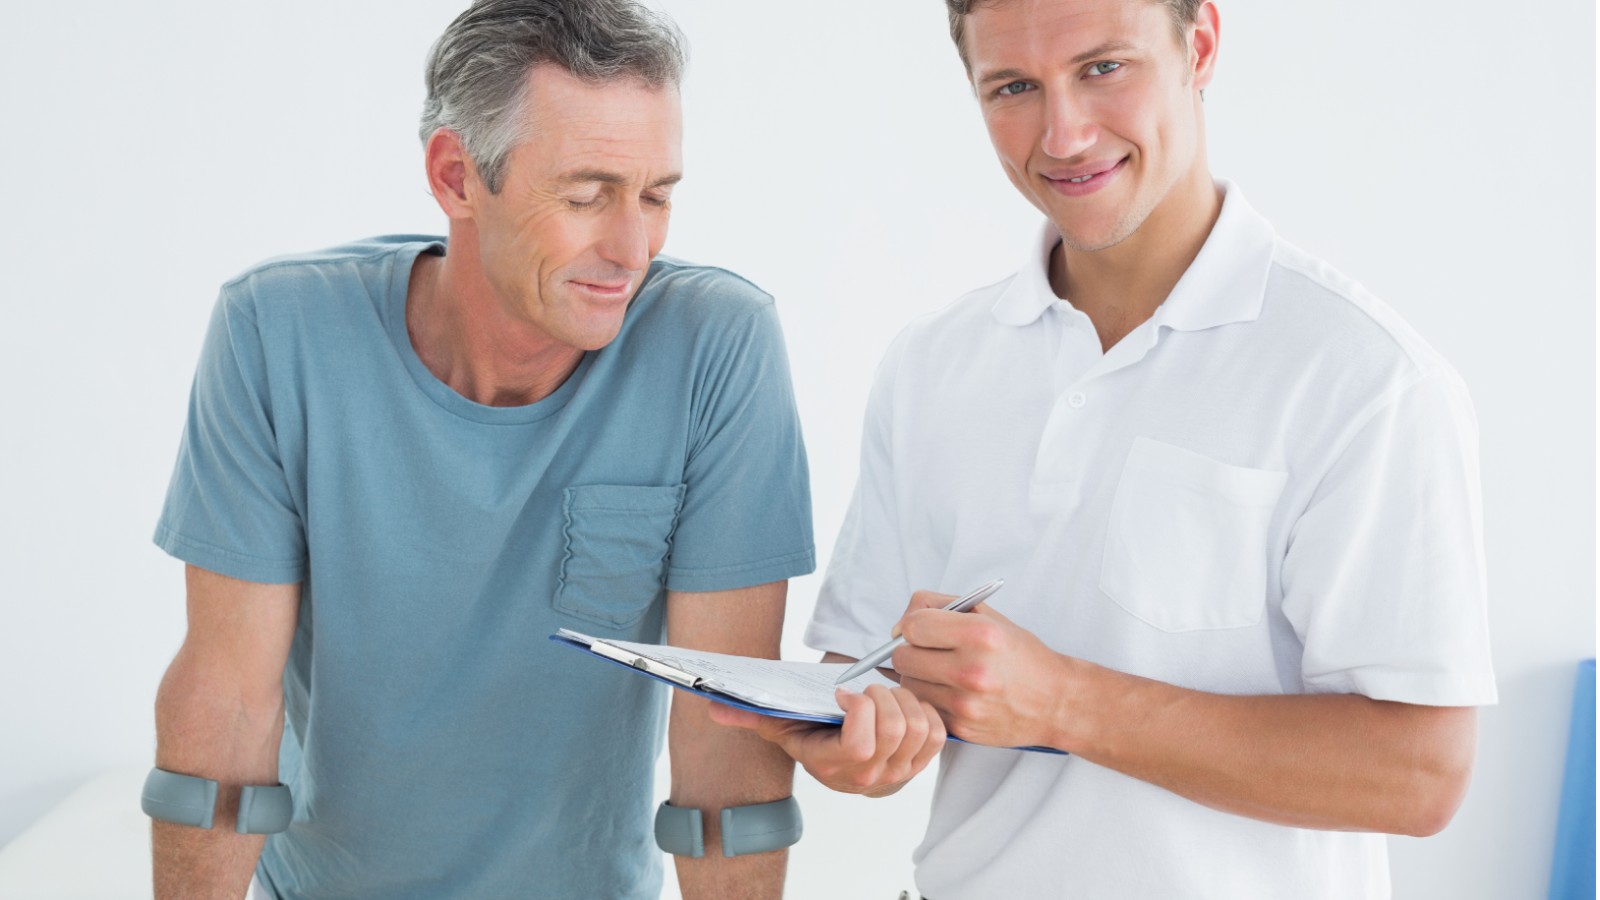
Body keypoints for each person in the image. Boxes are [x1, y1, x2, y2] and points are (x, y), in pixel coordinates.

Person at [712, 0, 1496, 897]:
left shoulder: (1366, 379)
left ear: (1198, 44)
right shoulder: (932, 364)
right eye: (1013, 86)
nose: (1065, 134)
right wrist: (863, 748)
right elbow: (869, 680)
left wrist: (1063, 702)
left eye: (1103, 68)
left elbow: (1422, 774)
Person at [148, 1, 815, 897]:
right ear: (458, 177)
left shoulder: (715, 347)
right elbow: (228, 708)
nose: (633, 248)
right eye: (585, 195)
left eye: (656, 195)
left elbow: (722, 743)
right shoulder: (277, 334)